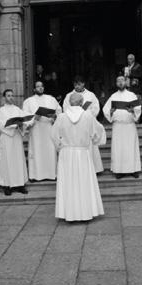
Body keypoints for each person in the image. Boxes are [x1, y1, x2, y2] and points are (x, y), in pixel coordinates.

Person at [51, 93, 106, 221]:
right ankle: (86, 212)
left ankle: (68, 213)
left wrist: (60, 147)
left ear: (69, 103)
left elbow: (53, 134)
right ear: (81, 103)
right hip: (82, 153)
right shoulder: (88, 116)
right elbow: (98, 131)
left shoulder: (61, 117)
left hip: (66, 154)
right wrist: (95, 141)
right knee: (84, 181)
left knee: (68, 183)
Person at [102, 75, 142, 178]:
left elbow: (138, 108)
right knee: (119, 149)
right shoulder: (113, 96)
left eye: (122, 81)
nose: (120, 83)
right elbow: (105, 109)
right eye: (118, 81)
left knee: (131, 148)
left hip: (129, 126)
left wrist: (132, 110)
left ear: (126, 82)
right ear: (116, 84)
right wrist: (110, 112)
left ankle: (133, 170)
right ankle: (119, 171)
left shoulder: (132, 95)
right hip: (118, 126)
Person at [63, 75, 104, 173]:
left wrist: (87, 113)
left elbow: (96, 108)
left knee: (90, 146)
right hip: (74, 124)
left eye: (79, 84)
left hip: (87, 123)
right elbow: (65, 109)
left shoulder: (90, 95)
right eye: (75, 84)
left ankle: (94, 169)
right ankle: (80, 169)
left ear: (83, 84)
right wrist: (75, 112)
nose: (77, 86)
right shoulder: (69, 96)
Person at [23, 81, 62, 181]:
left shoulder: (51, 99)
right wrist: (34, 117)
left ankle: (52, 174)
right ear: (34, 89)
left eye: (42, 86)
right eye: (38, 86)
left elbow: (59, 111)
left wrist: (54, 116)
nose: (40, 88)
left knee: (50, 150)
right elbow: (25, 117)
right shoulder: (28, 101)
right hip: (36, 129)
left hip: (48, 128)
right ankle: (36, 176)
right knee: (37, 151)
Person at [0, 89, 29, 196]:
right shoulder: (0, 111)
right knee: (7, 161)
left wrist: (20, 125)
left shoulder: (17, 109)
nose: (11, 97)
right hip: (6, 138)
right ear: (4, 97)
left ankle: (20, 185)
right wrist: (12, 127)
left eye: (12, 95)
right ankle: (7, 185)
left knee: (18, 160)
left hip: (17, 137)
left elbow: (24, 122)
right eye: (8, 95)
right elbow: (0, 125)